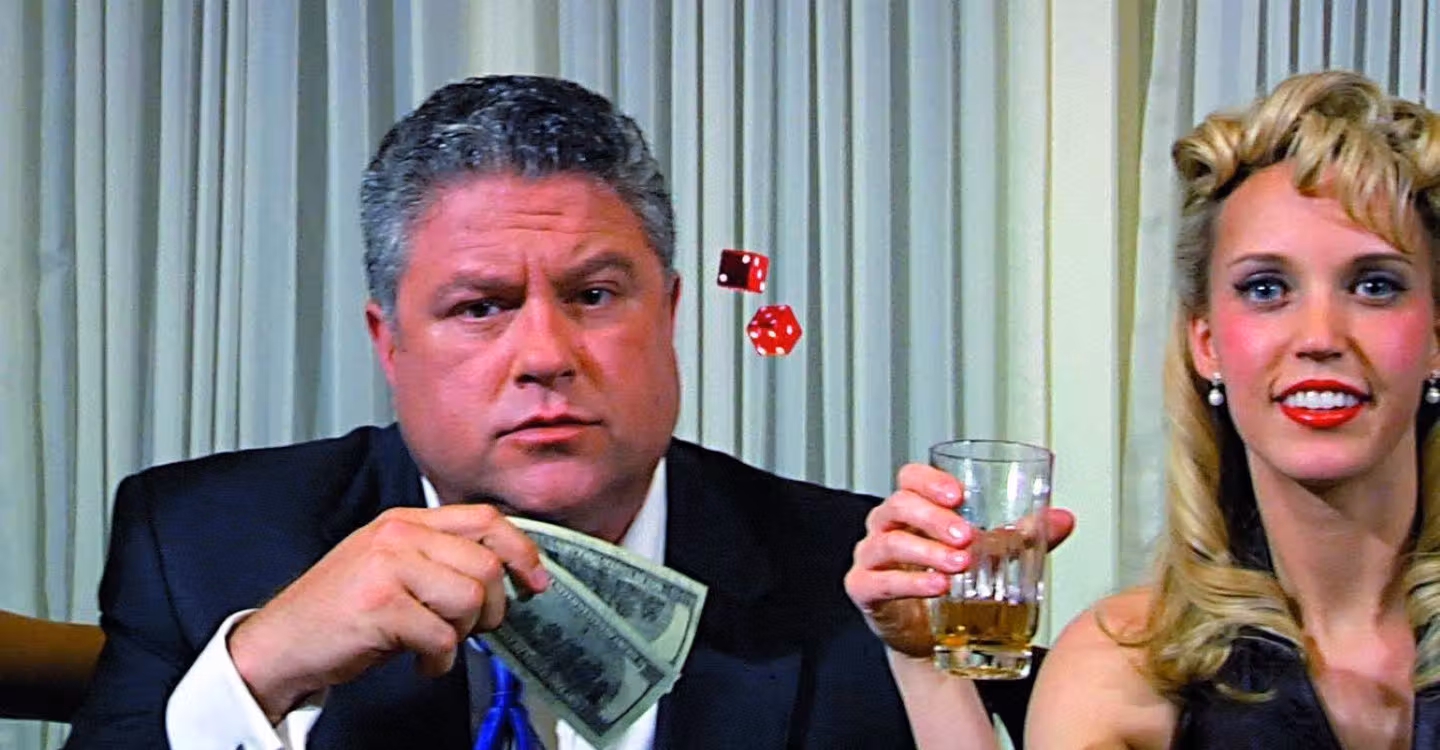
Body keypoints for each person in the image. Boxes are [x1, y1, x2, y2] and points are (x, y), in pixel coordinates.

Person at [63, 75, 1058, 749]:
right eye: (480, 307)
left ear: (669, 315)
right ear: (388, 342)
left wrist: (940, 675)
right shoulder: (199, 542)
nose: (545, 355)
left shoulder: (866, 586)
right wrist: (258, 672)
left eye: (593, 295)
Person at [850, 70, 1440, 748]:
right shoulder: (1125, 671)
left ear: (1436, 337)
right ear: (1206, 344)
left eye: (1374, 285)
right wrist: (928, 666)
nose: (1319, 337)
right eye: (1266, 288)